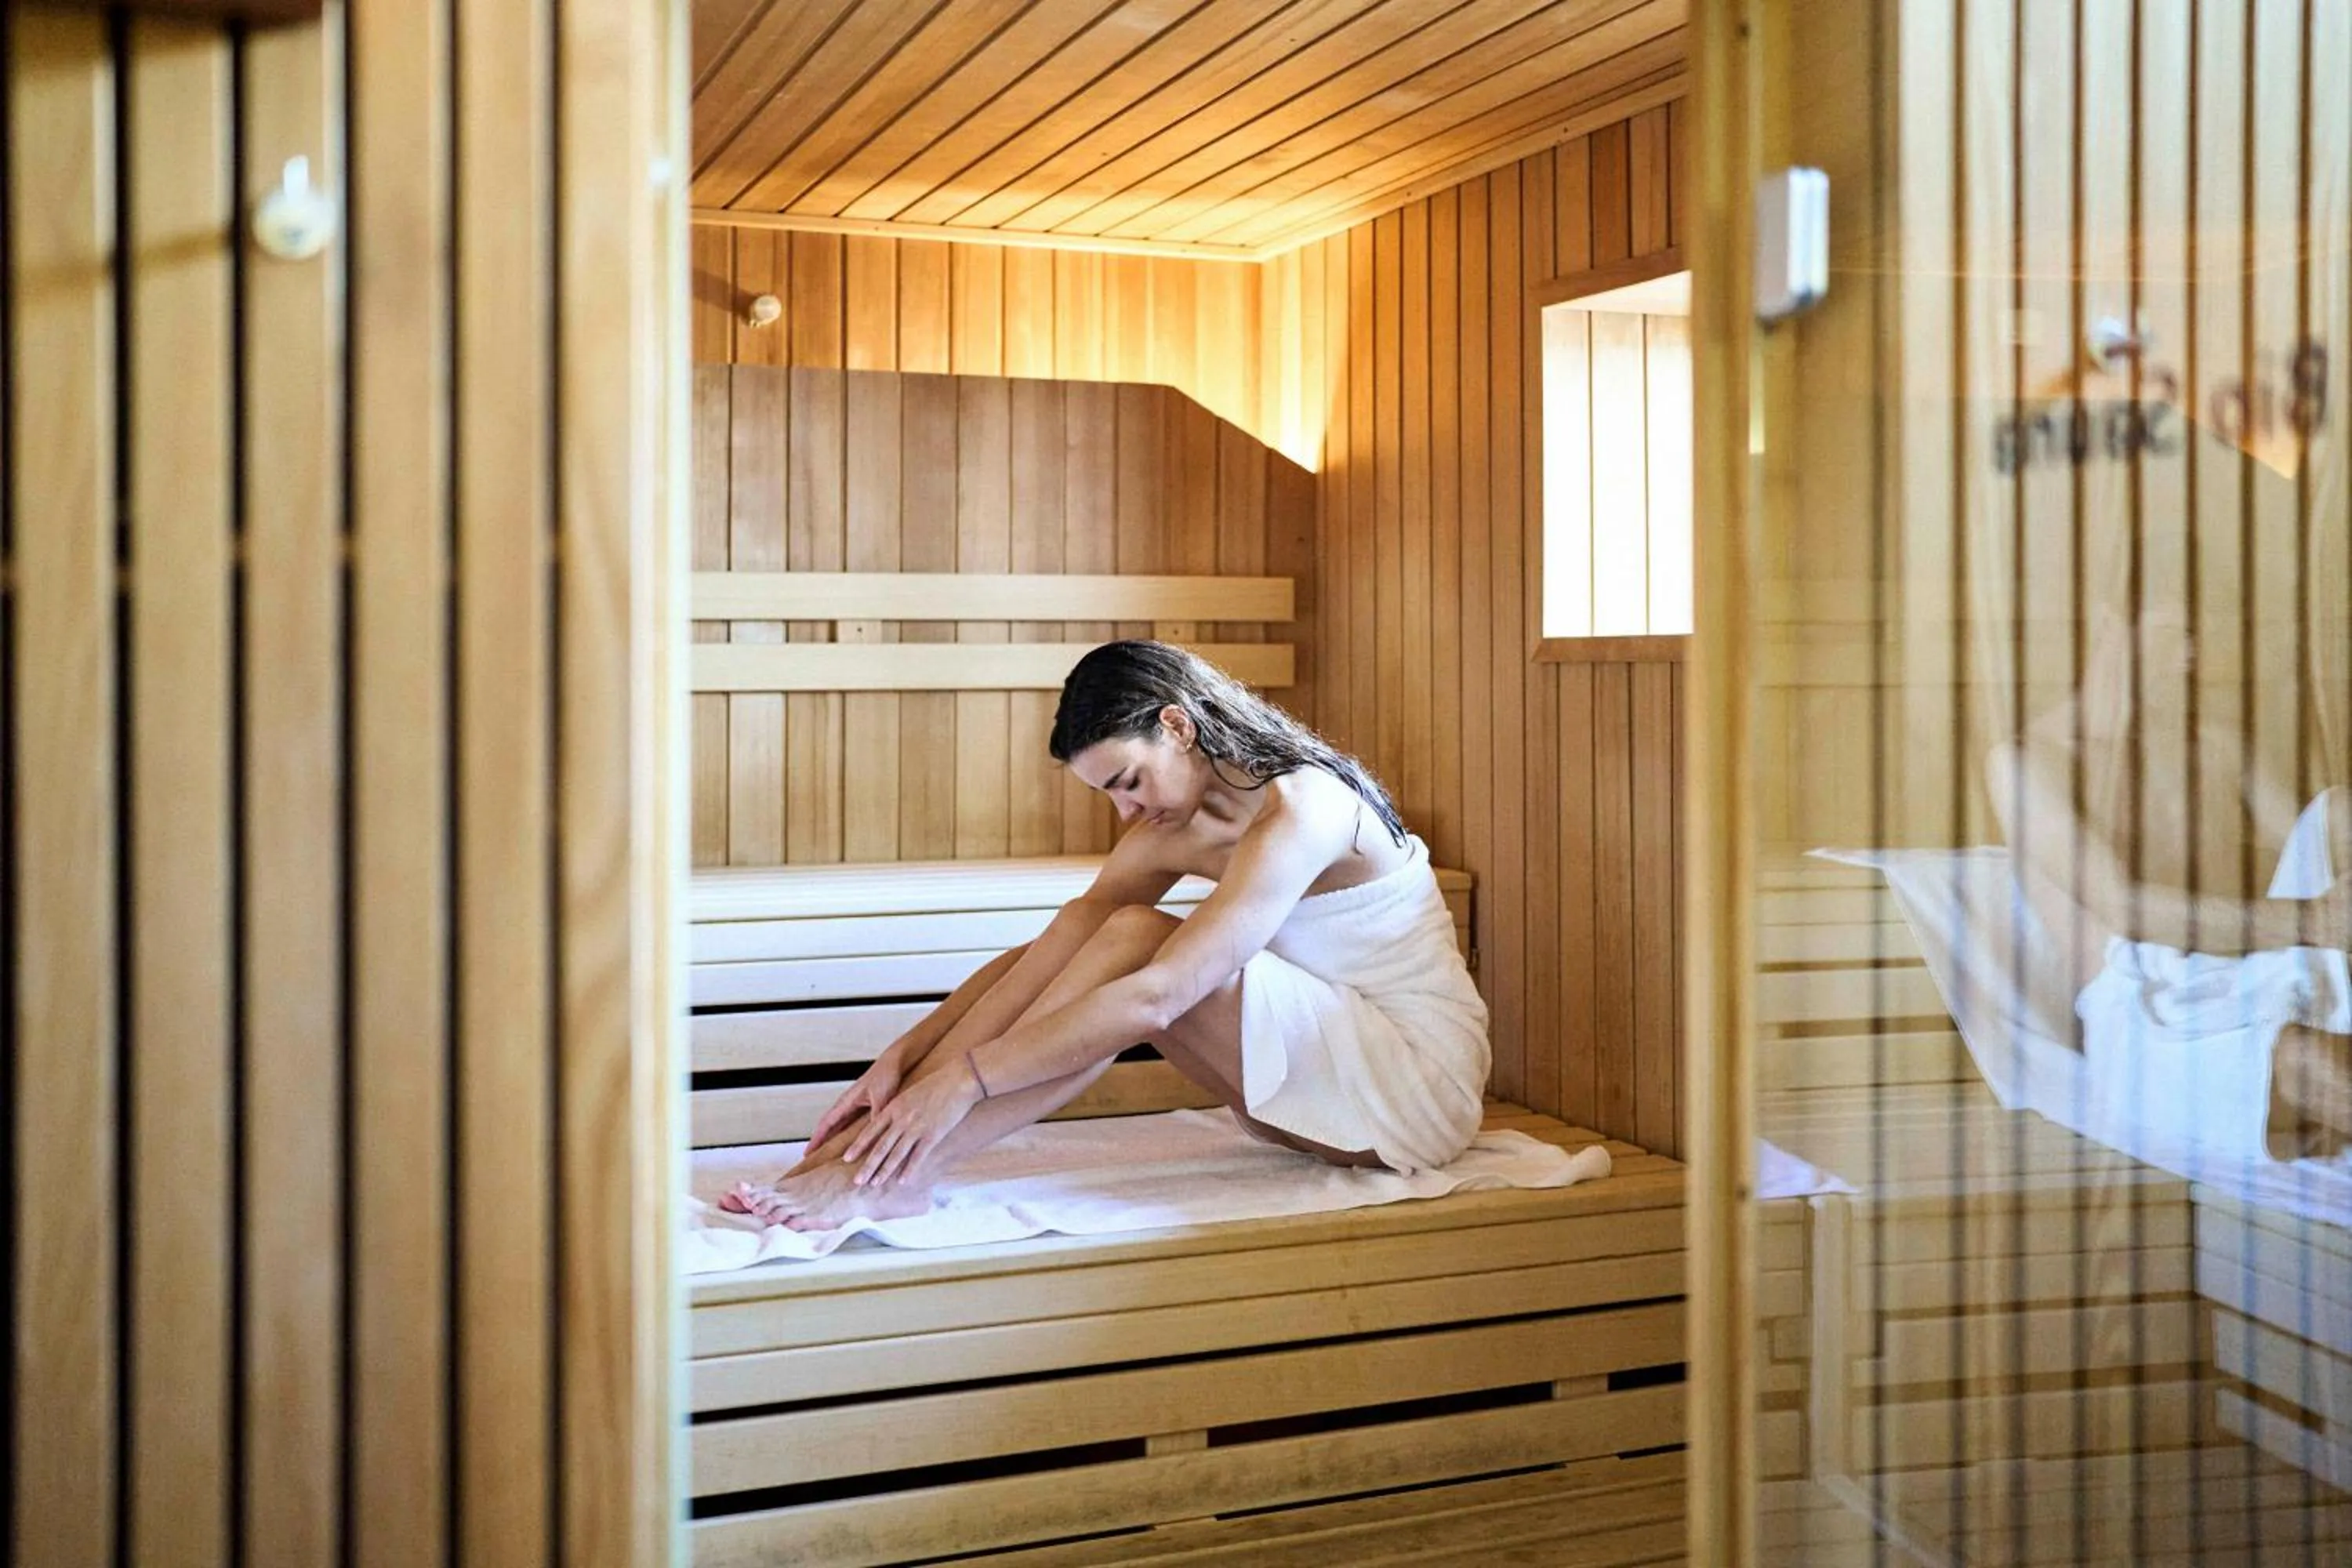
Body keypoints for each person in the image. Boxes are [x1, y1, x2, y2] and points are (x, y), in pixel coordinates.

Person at [720, 641, 1491, 1231]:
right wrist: (907, 1061)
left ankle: (893, 1176)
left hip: (1414, 1088)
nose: (1126, 809)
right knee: (1102, 934)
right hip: (1309, 1089)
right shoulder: (1173, 826)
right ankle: (856, 1163)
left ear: (1178, 726)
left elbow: (1158, 996)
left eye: (1128, 779)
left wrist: (964, 1080)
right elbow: (1051, 953)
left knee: (1135, 943)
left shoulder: (1307, 810)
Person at [1985, 604, 2352, 1160]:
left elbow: (2316, 838)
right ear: (2109, 624)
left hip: (2251, 970)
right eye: (2169, 636)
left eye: (2196, 638)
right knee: (2306, 1060)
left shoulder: (2217, 745)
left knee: (2342, 811)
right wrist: (2315, 920)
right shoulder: (2028, 762)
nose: (2188, 657)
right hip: (2143, 1010)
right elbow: (2119, 905)